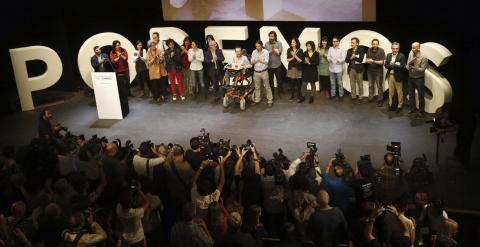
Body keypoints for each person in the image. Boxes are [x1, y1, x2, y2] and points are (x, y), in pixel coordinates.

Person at [190, 150, 229, 219]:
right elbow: (222, 182)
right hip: (208, 218)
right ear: (208, 190)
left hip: (200, 218)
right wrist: (221, 165)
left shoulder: (195, 197)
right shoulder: (213, 198)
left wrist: (201, 167)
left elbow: (193, 182)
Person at [406, 42, 428, 117]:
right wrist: (408, 67)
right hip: (410, 77)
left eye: (414, 48)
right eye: (412, 47)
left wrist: (414, 67)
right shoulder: (411, 53)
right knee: (411, 95)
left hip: (419, 78)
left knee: (420, 95)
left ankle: (421, 111)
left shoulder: (424, 57)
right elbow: (407, 65)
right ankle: (412, 108)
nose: (412, 49)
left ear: (418, 48)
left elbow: (422, 69)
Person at [384, 42, 406, 112]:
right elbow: (386, 65)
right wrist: (394, 65)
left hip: (398, 76)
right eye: (393, 48)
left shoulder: (402, 56)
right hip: (390, 76)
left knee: (399, 92)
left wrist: (393, 64)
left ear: (398, 49)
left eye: (396, 48)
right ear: (391, 48)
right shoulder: (388, 55)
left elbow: (402, 67)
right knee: (390, 92)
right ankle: (390, 105)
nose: (395, 50)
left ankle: (400, 106)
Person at [110, 40, 130, 116]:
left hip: (125, 70)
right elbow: (112, 61)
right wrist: (118, 56)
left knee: (127, 84)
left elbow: (126, 58)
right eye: (116, 45)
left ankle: (126, 101)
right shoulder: (112, 52)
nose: (118, 46)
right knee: (121, 88)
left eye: (119, 44)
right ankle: (123, 104)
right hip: (118, 71)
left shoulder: (123, 50)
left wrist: (121, 55)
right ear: (114, 46)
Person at [251, 40, 274, 107]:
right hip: (256, 72)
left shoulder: (265, 52)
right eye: (256, 46)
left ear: (261, 45)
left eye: (258, 46)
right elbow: (251, 62)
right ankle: (257, 100)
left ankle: (270, 100)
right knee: (257, 87)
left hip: (264, 71)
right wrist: (257, 60)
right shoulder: (254, 52)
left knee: (267, 87)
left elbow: (267, 62)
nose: (257, 47)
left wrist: (260, 60)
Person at [346, 37, 366, 103]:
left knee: (360, 84)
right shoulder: (349, 50)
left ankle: (361, 97)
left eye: (353, 43)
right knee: (352, 84)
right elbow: (346, 60)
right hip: (351, 69)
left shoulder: (361, 50)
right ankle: (353, 96)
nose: (351, 44)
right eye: (351, 42)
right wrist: (351, 58)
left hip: (359, 70)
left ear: (357, 43)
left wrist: (355, 57)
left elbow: (361, 59)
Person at [366, 39, 386, 106]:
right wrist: (368, 61)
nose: (375, 45)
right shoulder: (369, 50)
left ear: (378, 44)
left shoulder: (381, 51)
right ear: (372, 44)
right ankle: (370, 98)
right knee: (370, 85)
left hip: (378, 71)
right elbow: (367, 60)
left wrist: (373, 61)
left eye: (376, 44)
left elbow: (382, 62)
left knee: (379, 86)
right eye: (373, 44)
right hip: (370, 71)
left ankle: (380, 99)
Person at [265, 31, 283, 98]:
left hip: (278, 65)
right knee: (271, 81)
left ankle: (279, 92)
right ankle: (272, 93)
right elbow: (265, 54)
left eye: (272, 36)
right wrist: (271, 51)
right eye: (270, 36)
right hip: (270, 66)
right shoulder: (266, 44)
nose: (271, 38)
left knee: (279, 80)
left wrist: (275, 49)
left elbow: (279, 53)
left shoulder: (279, 43)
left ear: (275, 37)